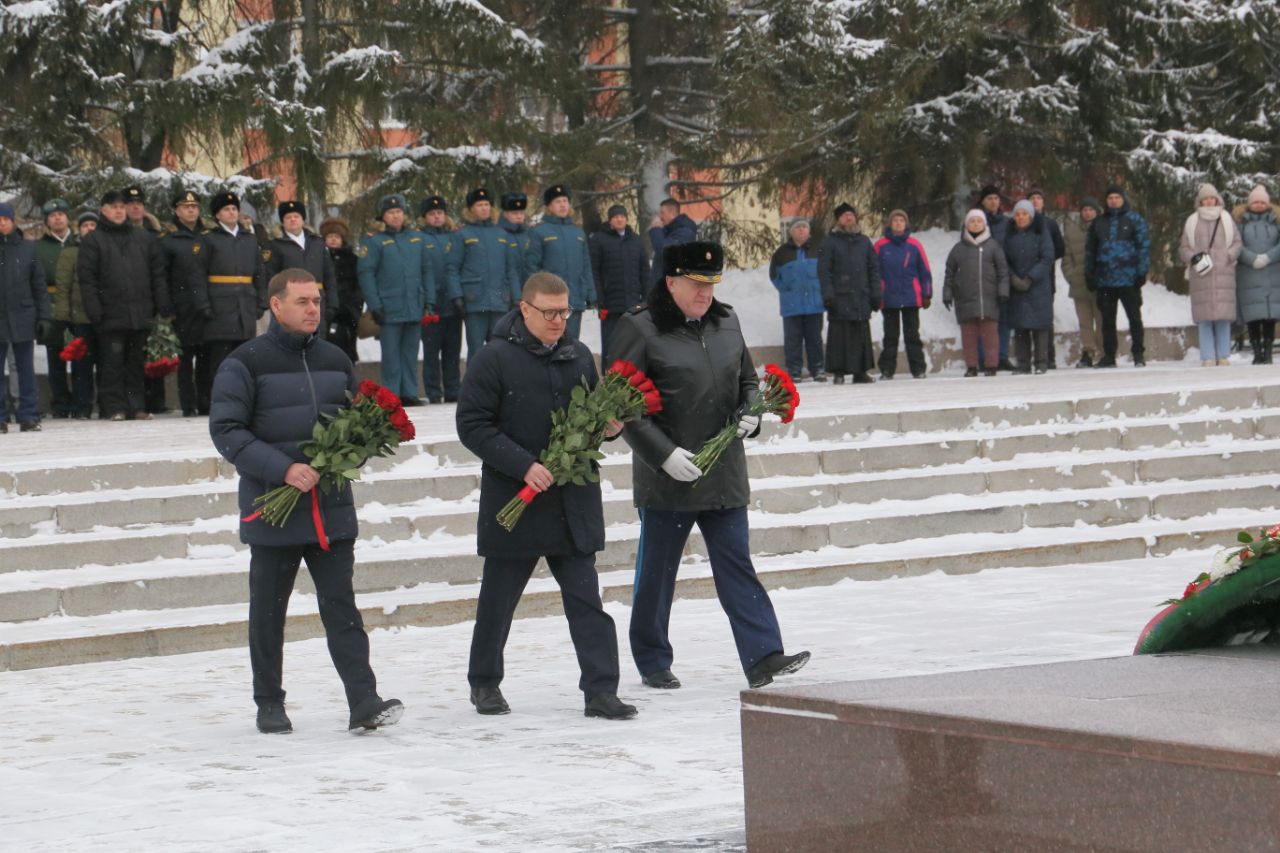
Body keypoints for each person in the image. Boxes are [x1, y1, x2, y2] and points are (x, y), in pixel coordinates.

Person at [209, 267, 404, 735]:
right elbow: (228, 430)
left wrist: (357, 446)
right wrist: (283, 468)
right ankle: (269, 702)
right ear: (276, 306)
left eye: (316, 300)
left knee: (342, 610)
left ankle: (363, 700)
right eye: (302, 301)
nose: (313, 308)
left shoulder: (336, 359)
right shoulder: (245, 362)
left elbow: (356, 420)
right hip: (272, 507)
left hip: (330, 510)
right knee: (268, 614)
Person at [612, 240, 811, 690]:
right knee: (657, 576)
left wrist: (752, 412)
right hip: (670, 476)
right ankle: (652, 658)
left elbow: (746, 379)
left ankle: (764, 654)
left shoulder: (727, 320)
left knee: (737, 564)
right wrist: (662, 454)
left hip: (723, 471)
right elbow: (622, 405)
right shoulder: (639, 328)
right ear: (670, 281)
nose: (705, 293)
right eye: (696, 284)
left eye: (711, 284)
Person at [455, 272, 637, 720]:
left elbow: (590, 416)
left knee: (586, 601)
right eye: (550, 312)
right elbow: (472, 425)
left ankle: (600, 690)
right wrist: (524, 466)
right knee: (498, 601)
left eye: (565, 311)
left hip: (571, 500)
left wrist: (609, 427)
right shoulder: (493, 359)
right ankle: (485, 683)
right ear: (525, 309)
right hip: (516, 499)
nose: (559, 320)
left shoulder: (578, 356)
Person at [78, 189, 171, 421]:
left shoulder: (143, 238)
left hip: (139, 311)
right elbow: (87, 280)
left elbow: (157, 274)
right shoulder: (93, 241)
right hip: (110, 312)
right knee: (112, 363)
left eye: (122, 207)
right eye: (114, 207)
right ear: (103, 210)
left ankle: (137, 405)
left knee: (135, 362)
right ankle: (114, 406)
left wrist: (162, 305)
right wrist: (95, 311)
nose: (120, 211)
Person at [357, 193, 429, 405]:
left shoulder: (415, 239)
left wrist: (428, 300)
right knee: (391, 355)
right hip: (388, 307)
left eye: (399, 211)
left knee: (410, 352)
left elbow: (426, 270)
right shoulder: (374, 241)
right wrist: (374, 304)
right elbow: (366, 274)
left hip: (413, 304)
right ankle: (391, 395)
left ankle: (409, 392)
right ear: (383, 216)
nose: (396, 216)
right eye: (391, 212)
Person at [197, 191, 268, 381]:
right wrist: (204, 304)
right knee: (221, 357)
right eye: (226, 209)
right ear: (217, 215)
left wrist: (262, 302)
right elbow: (198, 275)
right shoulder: (208, 239)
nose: (231, 212)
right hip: (219, 305)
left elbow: (259, 274)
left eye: (234, 209)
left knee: (245, 355)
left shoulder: (250, 239)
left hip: (245, 304)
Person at [447, 187, 521, 357]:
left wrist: (516, 297)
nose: (484, 208)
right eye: (480, 204)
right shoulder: (462, 235)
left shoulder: (502, 235)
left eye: (487, 204)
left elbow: (511, 269)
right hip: (474, 301)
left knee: (500, 350)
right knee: (476, 351)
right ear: (471, 209)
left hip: (499, 301)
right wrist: (457, 297)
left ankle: (496, 384)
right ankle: (475, 384)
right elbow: (452, 269)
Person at [157, 190, 212, 417]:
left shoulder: (209, 236)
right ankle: (188, 404)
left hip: (208, 305)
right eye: (185, 207)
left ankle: (206, 401)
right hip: (182, 306)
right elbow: (161, 276)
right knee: (185, 358)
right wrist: (166, 307)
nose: (191, 210)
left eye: (194, 206)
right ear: (177, 211)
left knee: (207, 358)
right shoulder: (168, 241)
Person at [1086, 185, 1150, 368]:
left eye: (1117, 197)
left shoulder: (1134, 219)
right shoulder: (1099, 222)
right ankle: (1109, 355)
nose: (1113, 201)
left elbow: (1144, 247)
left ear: (1123, 199)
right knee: (1107, 320)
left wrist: (1141, 272)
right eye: (1110, 198)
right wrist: (1089, 274)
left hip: (1129, 279)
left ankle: (1138, 353)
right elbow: (1090, 250)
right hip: (1105, 280)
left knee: (1134, 318)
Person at [0, 201, 50, 433]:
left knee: (25, 369)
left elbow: (38, 285)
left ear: (12, 221)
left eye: (5, 219)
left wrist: (43, 317)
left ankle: (28, 414)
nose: (1, 224)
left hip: (23, 315)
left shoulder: (27, 249)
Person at [1179, 183, 1242, 367]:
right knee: (1204, 318)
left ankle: (1223, 355)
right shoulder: (1192, 221)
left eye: (1211, 197)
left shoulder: (1226, 219)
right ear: (1200, 201)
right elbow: (1183, 248)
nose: (1208, 201)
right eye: (1205, 198)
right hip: (1201, 274)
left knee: (1223, 316)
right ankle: (1207, 356)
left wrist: (1228, 256)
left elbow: (1237, 243)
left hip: (1224, 273)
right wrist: (1193, 258)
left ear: (1217, 199)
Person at [818, 203, 879, 384]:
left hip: (861, 296)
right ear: (838, 220)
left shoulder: (864, 242)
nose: (848, 218)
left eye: (851, 215)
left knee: (861, 335)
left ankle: (861, 371)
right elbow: (824, 271)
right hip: (840, 297)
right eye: (844, 215)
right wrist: (828, 295)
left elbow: (874, 269)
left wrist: (876, 294)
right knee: (839, 337)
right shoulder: (830, 242)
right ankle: (839, 372)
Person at [526, 185, 597, 340]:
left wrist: (590, 292)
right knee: (550, 342)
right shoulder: (539, 231)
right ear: (549, 206)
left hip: (574, 297)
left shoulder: (578, 232)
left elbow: (586, 265)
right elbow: (532, 267)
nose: (563, 205)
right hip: (549, 300)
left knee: (571, 342)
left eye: (565, 201)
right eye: (558, 201)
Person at [943, 210, 1009, 377]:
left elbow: (1002, 271)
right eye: (972, 221)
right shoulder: (958, 249)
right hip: (965, 299)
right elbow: (949, 273)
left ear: (984, 224)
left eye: (979, 221)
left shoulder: (993, 246)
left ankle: (991, 365)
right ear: (966, 225)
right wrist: (947, 293)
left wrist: (1003, 291)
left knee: (990, 335)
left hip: (989, 298)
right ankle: (971, 366)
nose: (975, 224)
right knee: (969, 336)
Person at [873, 209, 932, 379]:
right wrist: (877, 294)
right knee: (890, 336)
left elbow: (924, 271)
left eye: (901, 220)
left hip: (911, 297)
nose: (898, 223)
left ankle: (918, 369)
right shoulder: (880, 245)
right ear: (890, 224)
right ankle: (887, 370)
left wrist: (926, 293)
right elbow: (874, 272)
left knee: (912, 336)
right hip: (889, 297)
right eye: (895, 220)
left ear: (906, 224)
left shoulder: (915, 245)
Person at [266, 201, 337, 339]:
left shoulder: (317, 243)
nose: (293, 220)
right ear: (282, 222)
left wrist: (333, 304)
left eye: (296, 216)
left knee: (318, 342)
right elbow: (271, 277)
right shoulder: (276, 245)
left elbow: (329, 275)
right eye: (288, 217)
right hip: (292, 302)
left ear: (303, 219)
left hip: (317, 300)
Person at [588, 203, 649, 363]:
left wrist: (646, 297)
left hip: (633, 303)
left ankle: (632, 377)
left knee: (632, 342)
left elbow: (644, 270)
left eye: (622, 216)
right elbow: (593, 270)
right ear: (610, 221)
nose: (619, 220)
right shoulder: (599, 240)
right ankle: (609, 376)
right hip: (610, 304)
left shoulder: (636, 241)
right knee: (611, 342)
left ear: (627, 219)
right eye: (616, 217)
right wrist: (599, 297)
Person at [53, 212, 99, 418]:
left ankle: (106, 404)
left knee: (107, 364)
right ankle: (82, 406)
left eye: (93, 224)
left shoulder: (105, 249)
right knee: (82, 366)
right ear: (79, 229)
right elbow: (63, 287)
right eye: (85, 225)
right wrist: (63, 316)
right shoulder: (70, 253)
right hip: (79, 318)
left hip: (105, 317)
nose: (89, 228)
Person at [768, 219, 826, 382]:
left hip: (814, 304)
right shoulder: (781, 253)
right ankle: (794, 370)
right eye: (798, 228)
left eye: (804, 227)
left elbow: (825, 272)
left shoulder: (818, 250)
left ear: (809, 232)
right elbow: (774, 275)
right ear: (791, 232)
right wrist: (786, 288)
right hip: (791, 305)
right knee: (793, 339)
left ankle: (818, 369)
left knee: (814, 338)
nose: (801, 230)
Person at [419, 195, 464, 403]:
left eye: (440, 213)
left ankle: (453, 389)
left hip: (453, 303)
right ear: (425, 217)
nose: (436, 217)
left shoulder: (455, 237)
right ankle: (433, 392)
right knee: (431, 353)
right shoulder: (419, 238)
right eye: (432, 214)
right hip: (431, 305)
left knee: (452, 351)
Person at [33, 198, 75, 418]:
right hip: (51, 307)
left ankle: (80, 401)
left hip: (78, 308)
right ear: (47, 221)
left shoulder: (79, 244)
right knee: (55, 357)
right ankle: (60, 402)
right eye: (52, 215)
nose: (57, 218)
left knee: (80, 355)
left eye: (61, 214)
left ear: (68, 218)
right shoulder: (38, 248)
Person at [1005, 200, 1056, 374]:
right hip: (1017, 286)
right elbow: (1003, 259)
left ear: (1031, 216)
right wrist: (1013, 277)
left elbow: (1047, 258)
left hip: (1038, 286)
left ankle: (1042, 362)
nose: (1021, 217)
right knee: (1021, 326)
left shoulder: (1041, 232)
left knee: (1040, 326)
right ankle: (1023, 364)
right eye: (1018, 214)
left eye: (1024, 214)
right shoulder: (1009, 234)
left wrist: (1030, 277)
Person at [1234, 185, 1280, 365]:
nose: (1259, 205)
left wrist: (1269, 256)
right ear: (1249, 203)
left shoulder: (1276, 221)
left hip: (1272, 273)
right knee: (1253, 315)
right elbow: (1235, 243)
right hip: (1249, 272)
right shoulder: (1240, 222)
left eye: (1262, 202)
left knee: (1269, 314)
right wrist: (1251, 258)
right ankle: (1256, 351)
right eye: (1255, 202)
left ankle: (1268, 351)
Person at [1061, 198, 1103, 367]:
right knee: (1085, 321)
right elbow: (1066, 259)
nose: (1088, 213)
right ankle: (1088, 351)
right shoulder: (1072, 232)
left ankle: (1104, 352)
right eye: (1085, 209)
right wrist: (1071, 276)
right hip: (1079, 283)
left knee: (1101, 320)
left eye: (1091, 209)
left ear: (1096, 211)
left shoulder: (1103, 229)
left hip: (1100, 284)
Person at [977, 185, 1014, 370]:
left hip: (1003, 275)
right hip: (983, 276)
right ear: (983, 201)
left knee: (1004, 317)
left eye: (996, 198)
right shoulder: (975, 220)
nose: (993, 202)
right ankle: (984, 357)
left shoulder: (1007, 223)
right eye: (989, 198)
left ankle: (1002, 355)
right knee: (984, 318)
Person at [1027, 188, 1064, 369]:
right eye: (1032, 198)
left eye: (1038, 198)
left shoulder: (1050, 224)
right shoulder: (1019, 222)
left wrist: (1044, 261)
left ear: (1043, 202)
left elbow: (1060, 248)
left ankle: (1048, 357)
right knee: (1025, 318)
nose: (1035, 201)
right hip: (1023, 277)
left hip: (1046, 278)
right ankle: (1027, 358)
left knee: (1045, 319)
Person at [319, 218, 362, 363]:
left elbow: (358, 288)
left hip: (347, 315)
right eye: (329, 236)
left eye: (336, 236)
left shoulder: (353, 260)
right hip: (324, 312)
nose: (333, 240)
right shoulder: (319, 259)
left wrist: (351, 309)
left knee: (346, 353)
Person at [647, 198, 697, 284]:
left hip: (674, 289)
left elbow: (662, 249)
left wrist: (656, 228)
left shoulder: (685, 233)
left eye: (662, 213)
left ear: (673, 214)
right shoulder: (668, 230)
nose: (660, 217)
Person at [498, 192, 531, 285]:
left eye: (521, 213)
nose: (519, 216)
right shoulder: (499, 235)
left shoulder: (529, 234)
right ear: (505, 214)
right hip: (507, 287)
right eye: (515, 213)